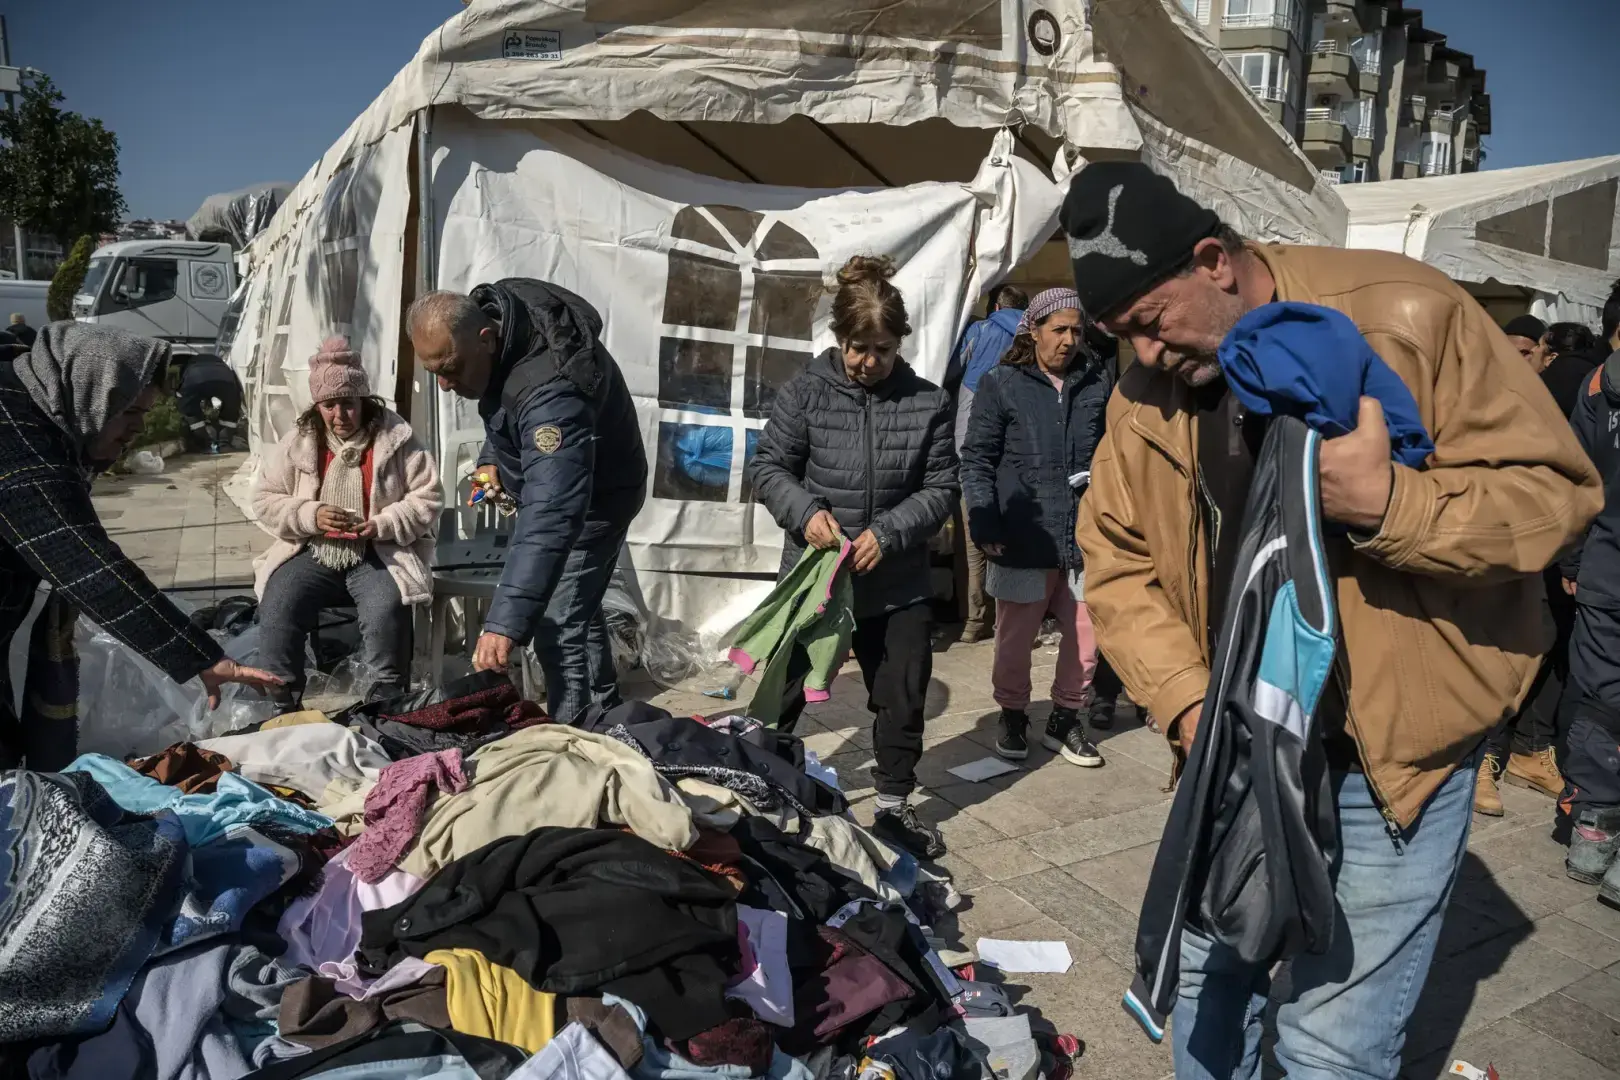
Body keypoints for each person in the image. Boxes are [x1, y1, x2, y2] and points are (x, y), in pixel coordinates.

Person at [1067, 162, 1600, 1079]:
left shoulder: (1408, 313)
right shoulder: (1140, 398)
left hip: (1394, 756)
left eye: (1151, 325)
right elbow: (1115, 561)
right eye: (1124, 338)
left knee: (1328, 1042)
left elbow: (1556, 493)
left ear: (1213, 261)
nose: (1145, 357)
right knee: (1204, 978)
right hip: (1236, 742)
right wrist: (1190, 706)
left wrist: (1394, 506)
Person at [747, 255, 958, 858]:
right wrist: (806, 512)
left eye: (883, 350)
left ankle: (893, 805)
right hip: (816, 579)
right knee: (786, 686)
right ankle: (767, 786)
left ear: (900, 345)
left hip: (898, 581)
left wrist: (889, 533)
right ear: (839, 339)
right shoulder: (805, 393)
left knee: (902, 692)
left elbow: (942, 485)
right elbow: (768, 467)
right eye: (859, 348)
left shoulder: (928, 402)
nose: (870, 362)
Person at [0, 323, 280, 765]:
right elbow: (85, 562)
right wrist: (200, 657)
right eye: (131, 412)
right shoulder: (16, 439)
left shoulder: (35, 405)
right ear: (93, 394)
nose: (139, 428)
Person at [407, 280, 647, 724]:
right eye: (432, 371)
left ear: (485, 339)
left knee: (557, 628)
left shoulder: (554, 390)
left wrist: (502, 623)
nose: (443, 385)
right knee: (577, 608)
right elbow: (507, 411)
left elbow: (552, 514)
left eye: (451, 368)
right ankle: (604, 711)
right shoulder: (507, 329)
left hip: (594, 503)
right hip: (564, 493)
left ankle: (573, 744)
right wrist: (491, 458)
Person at [960, 287, 1112, 767]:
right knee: (1015, 637)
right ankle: (1013, 713)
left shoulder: (1097, 383)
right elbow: (977, 458)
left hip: (1086, 534)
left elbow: (1114, 452)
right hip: (1023, 532)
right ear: (1035, 329)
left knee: (1087, 633)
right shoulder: (1002, 383)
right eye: (1059, 329)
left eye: (1076, 330)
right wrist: (983, 516)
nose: (1068, 340)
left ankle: (1066, 717)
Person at [251, 337, 442, 707]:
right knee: (279, 600)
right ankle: (280, 701)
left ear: (364, 402)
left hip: (379, 552)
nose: (340, 415)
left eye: (348, 404)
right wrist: (310, 514)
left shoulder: (396, 439)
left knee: (388, 605)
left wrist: (383, 523)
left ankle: (387, 700)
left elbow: (428, 496)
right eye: (329, 405)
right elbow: (265, 498)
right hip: (314, 549)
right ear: (317, 406)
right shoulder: (300, 442)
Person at [1474, 321, 1606, 813]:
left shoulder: (1578, 386)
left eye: (1530, 351)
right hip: (1525, 535)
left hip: (1557, 538)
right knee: (1519, 641)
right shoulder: (1573, 387)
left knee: (1547, 641)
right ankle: (1484, 754)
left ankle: (1527, 750)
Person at [948, 284, 1027, 642]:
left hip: (970, 449)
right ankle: (1008, 618)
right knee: (1012, 531)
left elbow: (949, 372)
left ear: (995, 305)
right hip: (1015, 452)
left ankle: (974, 619)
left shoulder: (979, 331)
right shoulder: (1034, 337)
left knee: (973, 532)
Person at [175, 351, 245, 453]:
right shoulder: (219, 362)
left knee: (190, 411)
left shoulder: (188, 365)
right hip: (225, 379)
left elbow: (183, 388)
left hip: (195, 379)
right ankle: (224, 443)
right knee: (230, 411)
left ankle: (204, 445)